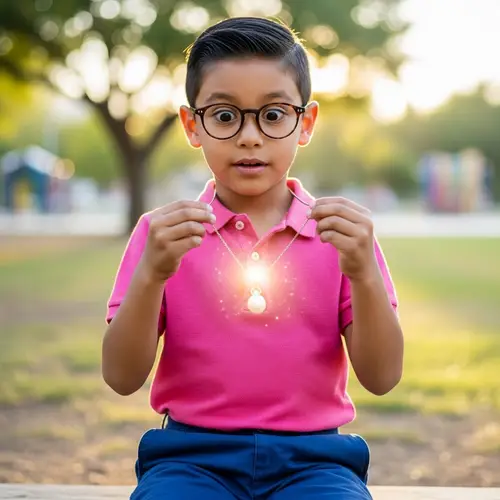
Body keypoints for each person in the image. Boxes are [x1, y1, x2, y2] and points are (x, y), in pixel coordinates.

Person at [102, 16, 404, 500]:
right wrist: (151, 276)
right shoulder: (162, 235)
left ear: (304, 123)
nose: (249, 136)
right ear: (191, 125)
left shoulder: (342, 236)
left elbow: (383, 377)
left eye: (273, 114)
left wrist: (365, 274)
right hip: (189, 460)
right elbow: (120, 377)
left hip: (315, 464)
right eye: (224, 115)